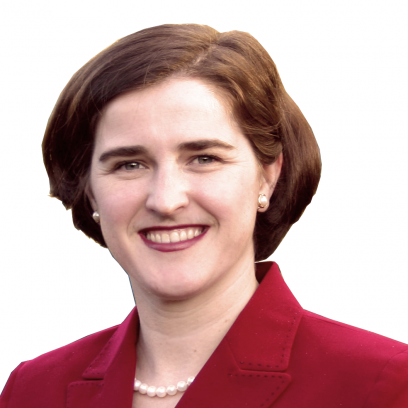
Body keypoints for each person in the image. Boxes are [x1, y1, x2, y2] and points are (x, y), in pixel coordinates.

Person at [1, 23, 407, 408]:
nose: (165, 200)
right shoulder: (31, 390)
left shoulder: (382, 383)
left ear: (268, 176)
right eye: (129, 164)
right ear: (88, 188)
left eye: (203, 158)